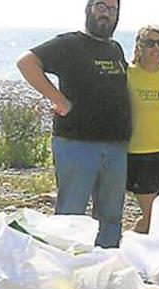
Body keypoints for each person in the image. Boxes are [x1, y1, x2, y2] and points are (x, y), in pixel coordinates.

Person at [16, 0, 130, 248]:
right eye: (101, 6)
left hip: (115, 147)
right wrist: (58, 99)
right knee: (70, 216)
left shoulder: (115, 49)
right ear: (88, 9)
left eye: (112, 9)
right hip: (77, 144)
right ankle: (65, 274)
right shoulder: (70, 44)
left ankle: (104, 270)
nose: (106, 13)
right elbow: (26, 62)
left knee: (111, 218)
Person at [126, 25, 159, 233]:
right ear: (139, 46)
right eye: (150, 42)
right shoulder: (128, 74)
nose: (156, 47)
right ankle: (126, 248)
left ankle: (152, 259)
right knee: (151, 218)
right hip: (140, 155)